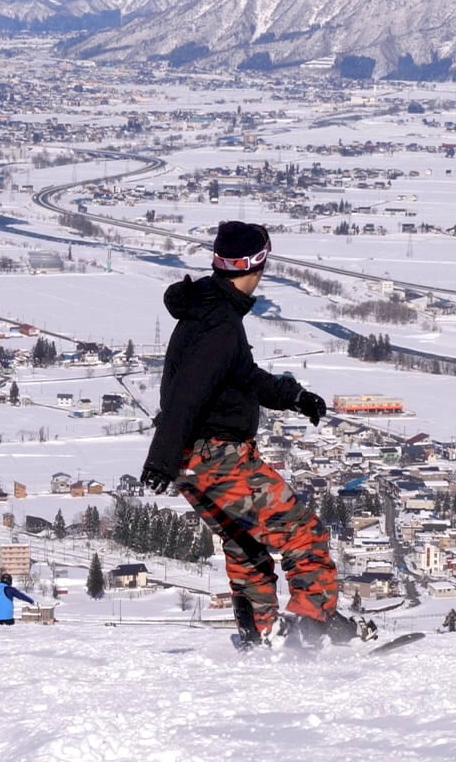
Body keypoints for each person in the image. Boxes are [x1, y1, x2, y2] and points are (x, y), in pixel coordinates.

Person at [140, 221, 346, 651]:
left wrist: (295, 396)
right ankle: (312, 628)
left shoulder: (211, 310)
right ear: (259, 263)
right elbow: (187, 394)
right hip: (216, 456)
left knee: (246, 546)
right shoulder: (219, 323)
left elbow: (242, 375)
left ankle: (262, 632)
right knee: (302, 532)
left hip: (192, 460)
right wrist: (159, 457)